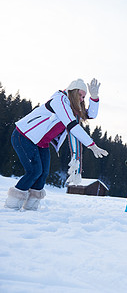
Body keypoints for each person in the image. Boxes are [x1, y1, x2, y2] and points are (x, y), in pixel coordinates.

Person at [5, 78, 109, 211]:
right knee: (34, 171)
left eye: (84, 97)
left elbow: (90, 115)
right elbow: (72, 125)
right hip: (24, 136)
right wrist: (91, 145)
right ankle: (12, 205)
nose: (82, 99)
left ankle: (31, 207)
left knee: (43, 174)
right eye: (81, 95)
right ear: (72, 92)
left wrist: (94, 98)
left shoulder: (73, 107)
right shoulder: (59, 101)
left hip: (41, 143)